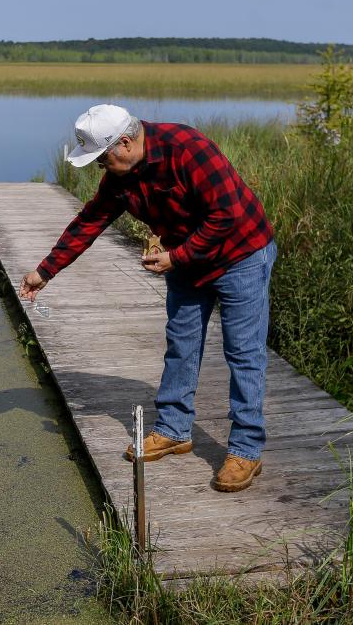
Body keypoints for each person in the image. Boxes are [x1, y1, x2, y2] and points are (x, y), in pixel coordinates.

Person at [19, 104, 276, 492]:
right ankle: (174, 428)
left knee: (244, 353)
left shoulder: (188, 148)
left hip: (240, 255)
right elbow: (90, 221)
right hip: (186, 260)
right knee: (182, 344)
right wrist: (45, 271)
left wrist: (177, 256)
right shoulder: (121, 176)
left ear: (124, 143)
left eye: (101, 159)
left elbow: (225, 214)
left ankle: (246, 450)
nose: (99, 168)